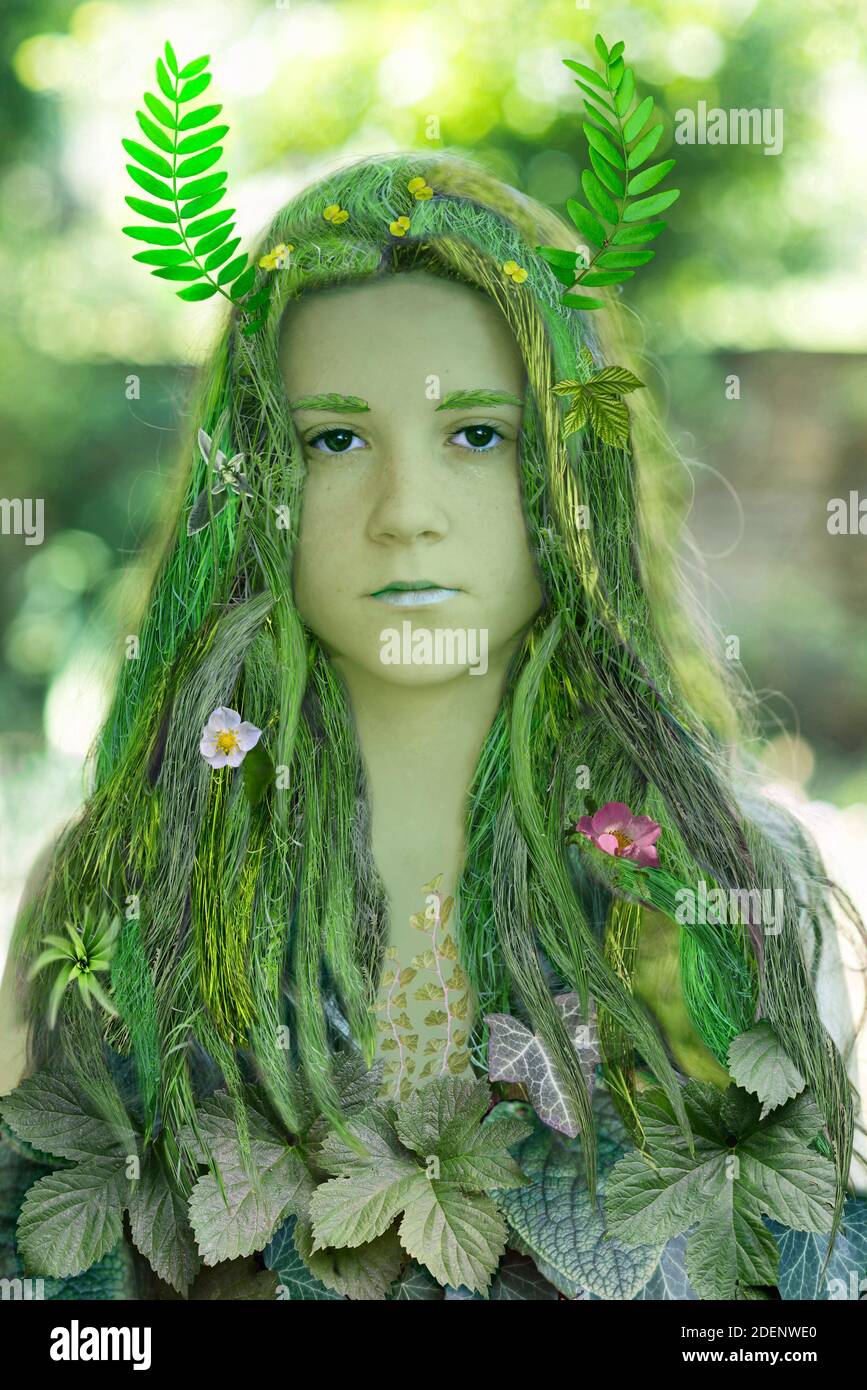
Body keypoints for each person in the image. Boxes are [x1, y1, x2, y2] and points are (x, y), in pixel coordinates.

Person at [0, 150, 862, 1298]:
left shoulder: (741, 886)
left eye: (477, 434)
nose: (405, 513)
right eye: (334, 440)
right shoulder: (116, 892)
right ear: (250, 481)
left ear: (575, 471)